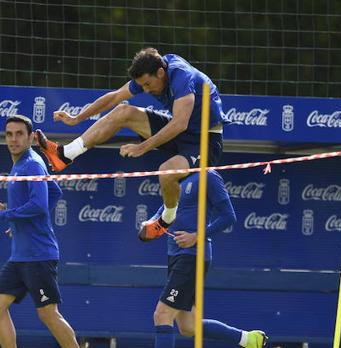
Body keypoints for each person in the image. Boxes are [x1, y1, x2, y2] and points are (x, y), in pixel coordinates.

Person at [35, 47, 230, 242]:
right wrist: (77, 118)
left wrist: (142, 147)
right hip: (180, 130)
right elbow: (115, 96)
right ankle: (65, 154)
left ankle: (166, 219)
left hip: (205, 141)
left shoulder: (182, 76)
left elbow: (180, 123)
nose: (145, 90)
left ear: (160, 73)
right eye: (141, 86)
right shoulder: (154, 70)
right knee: (123, 112)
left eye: (147, 84)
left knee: (167, 172)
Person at [0, 115, 99, 348]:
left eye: (18, 134)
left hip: (39, 255)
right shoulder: (21, 166)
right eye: (9, 134)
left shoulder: (33, 164)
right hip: (20, 255)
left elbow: (38, 205)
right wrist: (19, 224)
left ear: (29, 138)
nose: (13, 139)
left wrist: (6, 215)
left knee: (48, 314)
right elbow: (55, 193)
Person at [140, 169, 267, 348]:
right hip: (176, 257)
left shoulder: (208, 175)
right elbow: (163, 213)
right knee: (189, 327)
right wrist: (149, 226)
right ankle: (248, 339)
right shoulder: (174, 178)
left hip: (193, 256)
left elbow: (229, 216)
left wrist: (197, 235)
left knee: (162, 314)